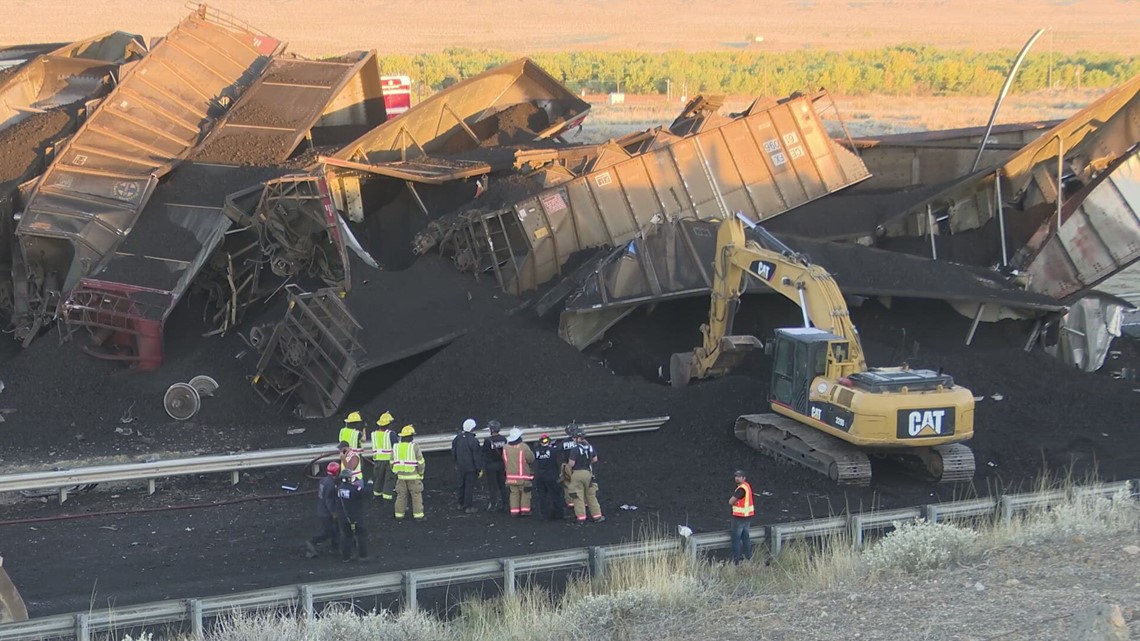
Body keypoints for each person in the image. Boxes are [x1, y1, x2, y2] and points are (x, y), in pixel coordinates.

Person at [566, 428, 605, 523]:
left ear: (577, 438)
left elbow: (571, 463)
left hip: (577, 473)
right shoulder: (590, 447)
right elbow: (595, 459)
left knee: (578, 496)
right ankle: (597, 516)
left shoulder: (575, 449)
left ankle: (581, 518)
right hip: (588, 473)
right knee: (591, 496)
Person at [305, 461, 341, 558]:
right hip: (326, 513)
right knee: (329, 531)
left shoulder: (323, 481)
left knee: (335, 530)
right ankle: (312, 542)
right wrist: (333, 512)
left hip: (322, 509)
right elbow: (329, 501)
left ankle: (335, 548)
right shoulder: (331, 485)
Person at [392, 425, 426, 521]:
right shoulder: (414, 447)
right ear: (411, 436)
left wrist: (396, 471)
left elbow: (391, 462)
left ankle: (399, 515)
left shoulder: (396, 447)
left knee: (401, 495)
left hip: (401, 476)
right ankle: (418, 516)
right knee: (416, 495)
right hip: (413, 476)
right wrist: (421, 473)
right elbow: (421, 462)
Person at [335, 469, 368, 562]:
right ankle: (363, 556)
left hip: (343, 518)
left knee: (346, 537)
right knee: (361, 535)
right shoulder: (354, 489)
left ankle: (346, 557)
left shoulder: (339, 489)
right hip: (355, 517)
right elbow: (365, 494)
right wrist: (370, 484)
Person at [451, 418, 483, 513]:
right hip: (471, 468)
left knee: (461, 485)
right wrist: (479, 468)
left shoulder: (457, 438)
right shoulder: (473, 441)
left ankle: (460, 504)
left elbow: (453, 452)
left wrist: (455, 463)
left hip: (460, 467)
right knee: (469, 487)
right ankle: (468, 506)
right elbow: (476, 456)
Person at [503, 428, 534, 517]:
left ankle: (514, 511)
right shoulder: (523, 447)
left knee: (514, 494)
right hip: (523, 477)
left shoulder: (505, 447)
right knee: (525, 493)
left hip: (510, 477)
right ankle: (525, 510)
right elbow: (531, 458)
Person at [531, 433, 563, 520]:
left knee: (542, 496)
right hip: (552, 476)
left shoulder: (536, 451)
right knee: (556, 495)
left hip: (540, 477)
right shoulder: (553, 450)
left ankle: (545, 514)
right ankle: (558, 514)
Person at [482, 419, 509, 512]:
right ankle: (505, 504)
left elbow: (484, 454)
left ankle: (493, 505)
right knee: (502, 485)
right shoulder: (504, 439)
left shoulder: (488, 441)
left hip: (491, 466)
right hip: (501, 465)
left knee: (492, 486)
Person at [728, 469, 754, 564]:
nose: (737, 478)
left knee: (736, 539)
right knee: (746, 538)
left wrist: (735, 501)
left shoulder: (741, 489)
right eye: (736, 476)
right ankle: (748, 559)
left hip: (739, 518)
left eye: (739, 477)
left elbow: (730, 501)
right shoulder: (747, 486)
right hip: (747, 517)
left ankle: (736, 561)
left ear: (744, 478)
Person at [371, 412, 396, 500]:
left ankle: (377, 499)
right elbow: (396, 447)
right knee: (388, 482)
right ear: (389, 424)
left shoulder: (374, 434)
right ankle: (387, 501)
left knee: (378, 481)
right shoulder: (391, 434)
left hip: (377, 462)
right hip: (389, 462)